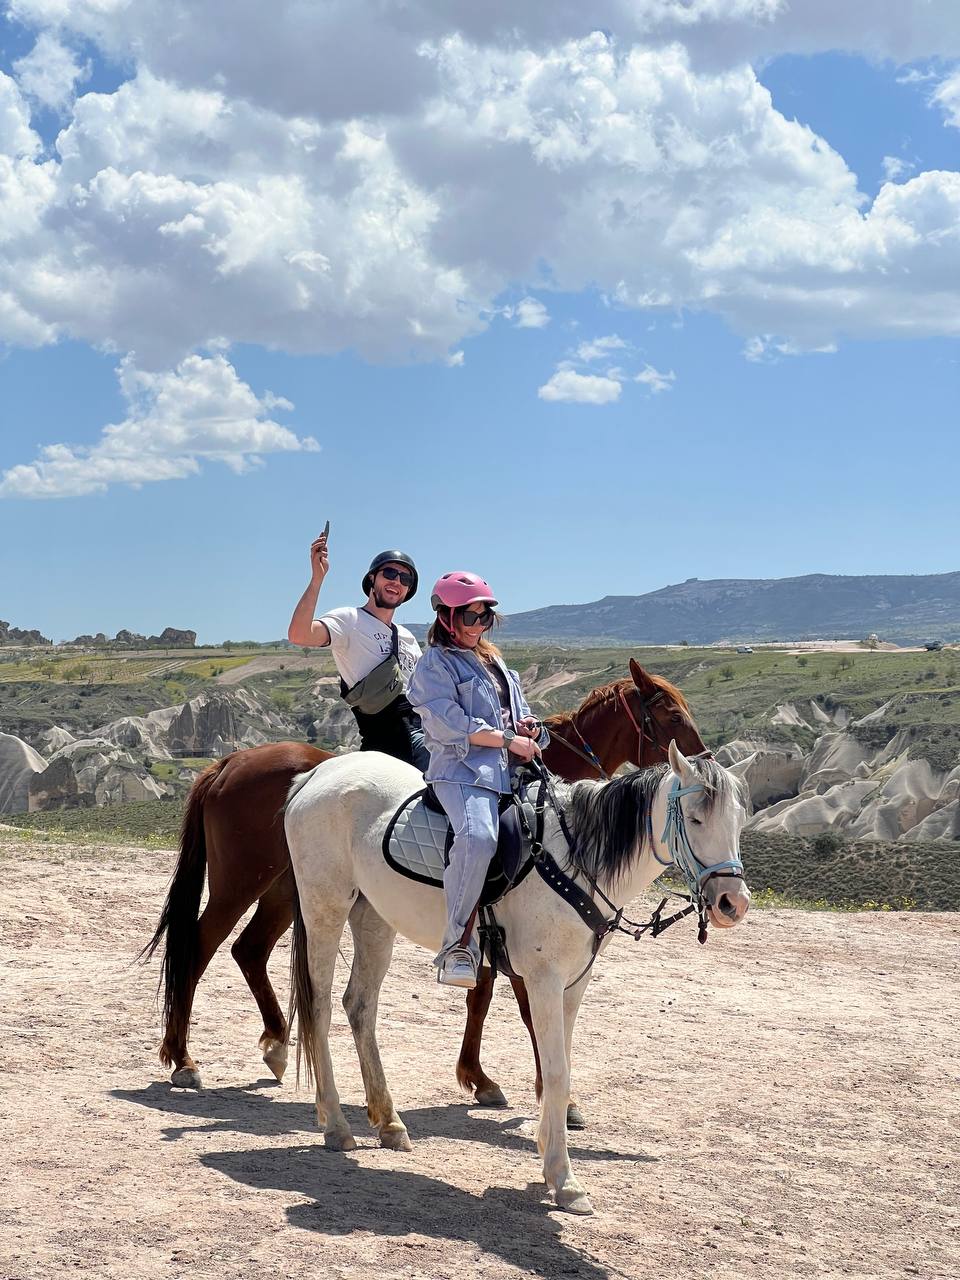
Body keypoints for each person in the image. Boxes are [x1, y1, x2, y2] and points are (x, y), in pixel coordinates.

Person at [407, 571, 549, 988]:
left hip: (511, 765)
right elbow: (450, 724)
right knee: (479, 839)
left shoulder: (494, 661)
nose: (478, 626)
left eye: (485, 618)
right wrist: (507, 739)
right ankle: (457, 947)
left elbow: (514, 711)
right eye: (471, 618)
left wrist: (529, 727)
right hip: (462, 771)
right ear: (447, 617)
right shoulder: (434, 664)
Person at [287, 530, 429, 770]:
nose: (397, 581)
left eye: (405, 579)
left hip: (424, 728)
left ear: (408, 591)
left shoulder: (407, 636)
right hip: (388, 739)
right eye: (390, 573)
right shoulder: (349, 619)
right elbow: (299, 634)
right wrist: (317, 580)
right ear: (372, 578)